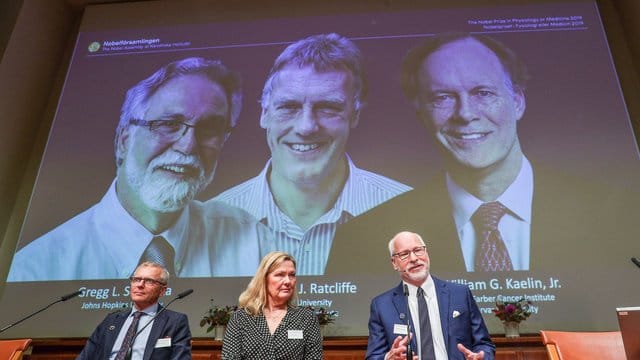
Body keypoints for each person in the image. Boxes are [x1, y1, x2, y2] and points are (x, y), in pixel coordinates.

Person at [327, 32, 633, 274]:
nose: (466, 113)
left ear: (518, 102)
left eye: (483, 93)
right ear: (421, 114)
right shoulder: (365, 238)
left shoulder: (617, 215)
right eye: (443, 97)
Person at [9, 57, 270, 281]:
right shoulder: (37, 268)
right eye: (168, 123)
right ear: (123, 141)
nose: (188, 145)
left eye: (210, 129)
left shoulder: (251, 241)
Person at [212, 33, 411, 275]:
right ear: (264, 113)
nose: (306, 127)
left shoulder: (408, 210)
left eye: (328, 108)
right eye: (288, 107)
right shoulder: (209, 222)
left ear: (354, 115)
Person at [367, 231, 494, 360]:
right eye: (404, 254)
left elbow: (484, 344)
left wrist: (481, 357)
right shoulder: (381, 305)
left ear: (426, 253)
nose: (414, 258)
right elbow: (373, 356)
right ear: (394, 263)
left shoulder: (460, 294)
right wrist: (388, 358)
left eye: (418, 250)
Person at [77, 261, 191, 359]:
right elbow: (86, 356)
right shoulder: (112, 320)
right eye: (136, 279)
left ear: (162, 290)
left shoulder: (174, 322)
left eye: (149, 281)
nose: (140, 285)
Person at [221, 251, 322, 359]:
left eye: (292, 275)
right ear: (264, 279)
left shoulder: (306, 318)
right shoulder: (241, 318)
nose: (288, 281)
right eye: (280, 275)